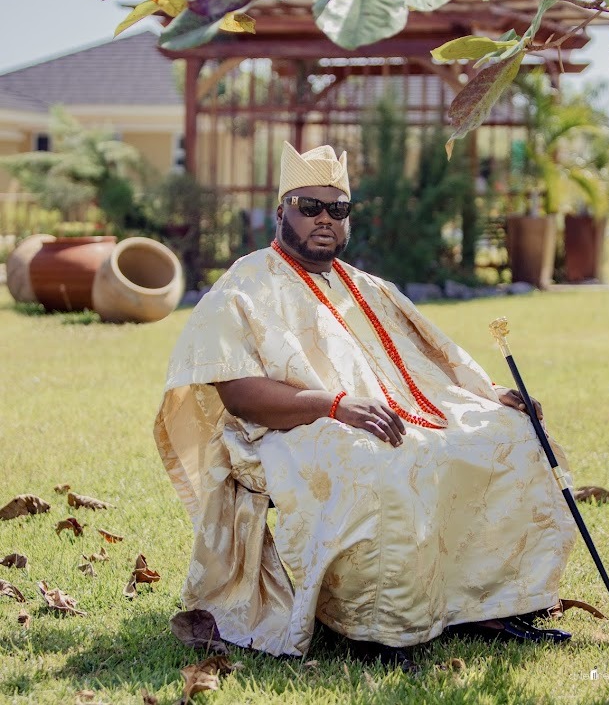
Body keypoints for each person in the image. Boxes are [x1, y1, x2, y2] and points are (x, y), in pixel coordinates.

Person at [154, 142, 576, 659]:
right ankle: (377, 627)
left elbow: (434, 358)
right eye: (309, 207)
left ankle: (488, 606)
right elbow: (239, 394)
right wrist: (333, 406)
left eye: (337, 209)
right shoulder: (243, 286)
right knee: (386, 462)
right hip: (286, 430)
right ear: (283, 209)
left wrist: (490, 395)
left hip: (382, 412)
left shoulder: (367, 287)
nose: (324, 220)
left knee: (513, 436)